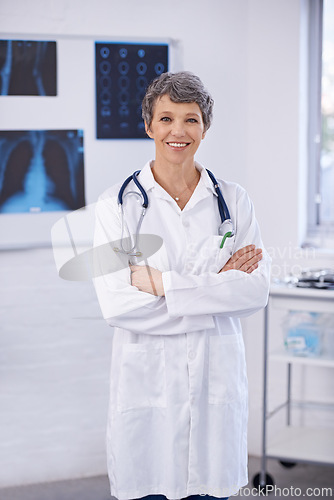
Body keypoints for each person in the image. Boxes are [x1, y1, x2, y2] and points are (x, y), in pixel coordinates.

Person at [93, 71, 271, 500]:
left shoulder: (234, 200)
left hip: (216, 386)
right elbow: (118, 305)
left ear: (204, 129)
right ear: (149, 125)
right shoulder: (117, 205)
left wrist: (162, 284)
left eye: (190, 120)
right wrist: (214, 290)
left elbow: (255, 291)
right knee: (149, 486)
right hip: (147, 389)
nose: (178, 131)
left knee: (212, 488)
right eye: (166, 118)